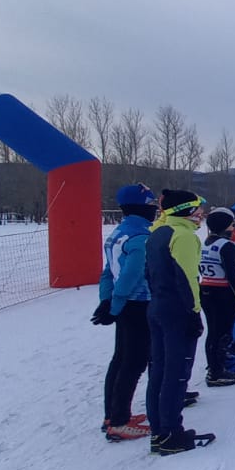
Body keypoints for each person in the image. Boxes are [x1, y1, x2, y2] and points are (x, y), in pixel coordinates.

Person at [145, 189, 211, 455]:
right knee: (175, 374)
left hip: (159, 307)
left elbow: (148, 274)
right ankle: (171, 433)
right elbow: (188, 279)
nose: (201, 214)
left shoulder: (158, 232)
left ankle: (160, 431)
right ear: (185, 210)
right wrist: (194, 312)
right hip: (177, 311)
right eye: (197, 209)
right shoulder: (183, 236)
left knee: (160, 372)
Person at [93, 183, 157, 441]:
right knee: (133, 362)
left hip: (125, 304)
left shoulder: (118, 232)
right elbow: (131, 274)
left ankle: (113, 413)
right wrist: (115, 303)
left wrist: (106, 301)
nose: (153, 210)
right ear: (140, 207)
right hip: (139, 303)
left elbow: (108, 271)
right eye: (150, 206)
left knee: (120, 359)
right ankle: (118, 421)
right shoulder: (141, 237)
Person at [199, 207, 235, 387]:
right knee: (221, 333)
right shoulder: (227, 245)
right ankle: (217, 370)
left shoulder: (206, 242)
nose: (234, 228)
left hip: (206, 289)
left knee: (214, 332)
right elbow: (232, 275)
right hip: (222, 291)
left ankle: (215, 367)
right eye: (232, 225)